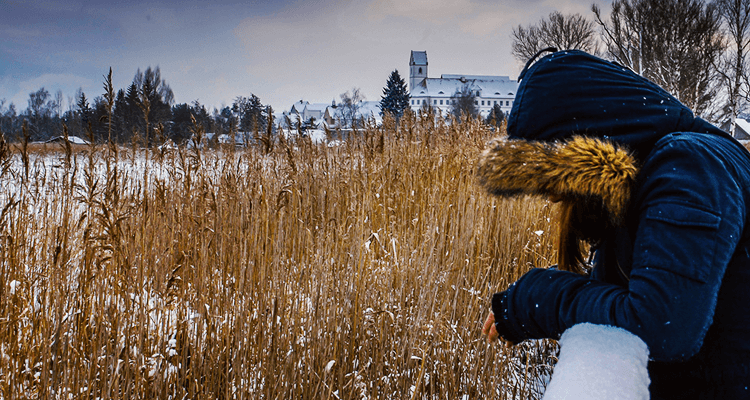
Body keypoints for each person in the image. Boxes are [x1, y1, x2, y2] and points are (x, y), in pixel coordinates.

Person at [477, 49, 750, 398]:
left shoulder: (689, 169)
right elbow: (651, 290)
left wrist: (539, 298)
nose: (552, 198)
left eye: (553, 179)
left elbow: (661, 325)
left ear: (588, 149)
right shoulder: (663, 173)